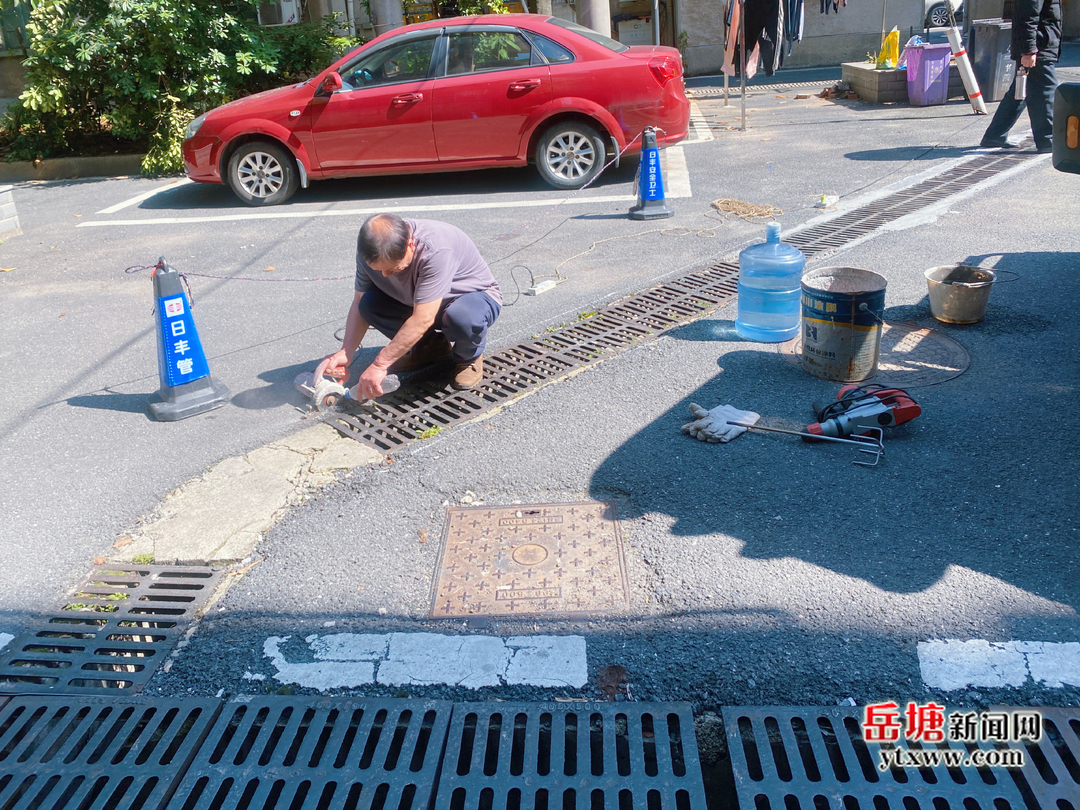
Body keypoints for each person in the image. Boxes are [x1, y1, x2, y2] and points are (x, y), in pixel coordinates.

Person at [316, 214, 502, 400]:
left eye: (394, 268)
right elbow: (359, 302)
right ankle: (429, 348)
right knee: (370, 303)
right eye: (378, 270)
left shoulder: (435, 250)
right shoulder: (369, 252)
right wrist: (346, 352)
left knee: (461, 318)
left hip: (470, 299)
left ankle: (469, 358)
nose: (386, 275)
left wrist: (380, 364)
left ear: (410, 245)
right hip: (419, 302)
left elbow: (423, 318)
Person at [979, 0, 1062, 153]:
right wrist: (1029, 51)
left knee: (1019, 91)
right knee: (1045, 92)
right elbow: (1027, 16)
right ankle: (1047, 140)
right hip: (1038, 48)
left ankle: (995, 135)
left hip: (1039, 46)